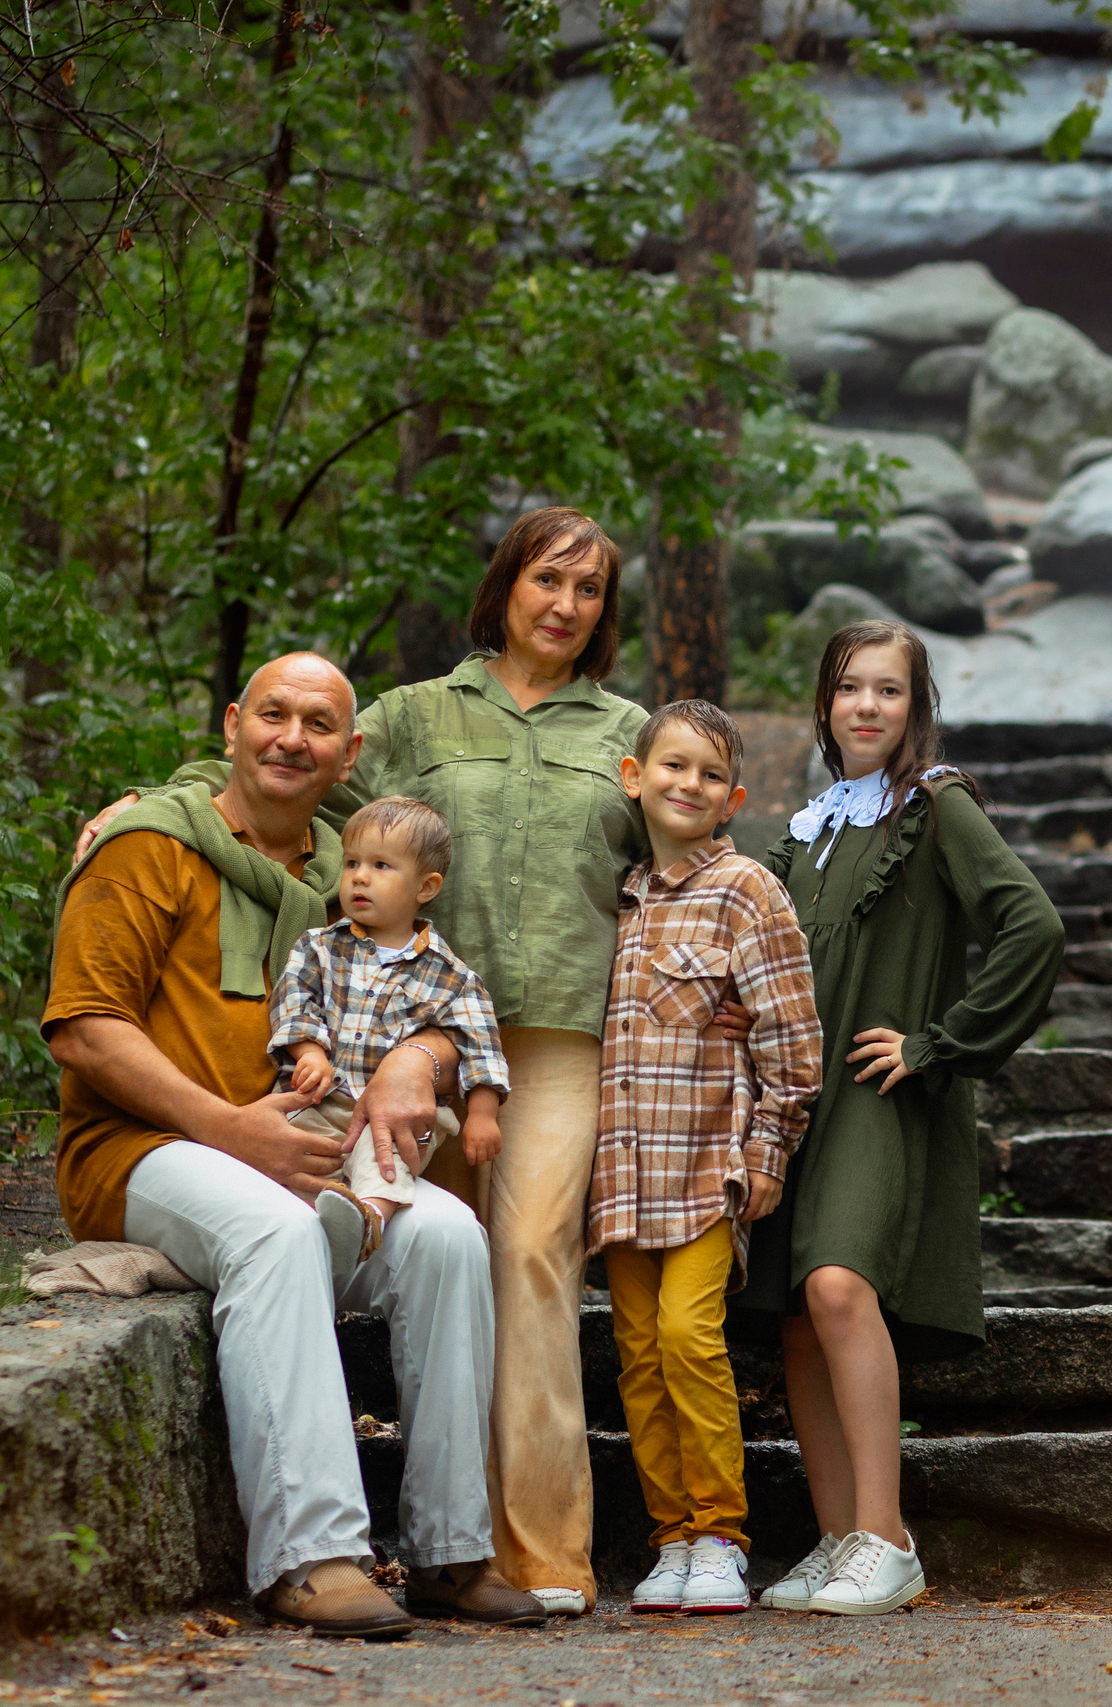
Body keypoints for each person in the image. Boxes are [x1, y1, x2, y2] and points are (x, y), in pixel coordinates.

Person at [72, 510, 746, 1612]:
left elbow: (693, 846)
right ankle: (414, 1539)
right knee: (436, 1247)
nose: (563, 605)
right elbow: (297, 757)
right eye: (546, 580)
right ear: (506, 586)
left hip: (568, 1037)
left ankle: (536, 1554)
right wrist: (169, 795)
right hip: (416, 1035)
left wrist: (724, 1004)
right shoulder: (423, 714)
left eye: (587, 591)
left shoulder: (624, 729)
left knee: (528, 1257)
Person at [44, 653, 543, 1635]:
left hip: (303, 1147)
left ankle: (449, 1549)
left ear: (347, 752)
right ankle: (310, 1554)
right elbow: (84, 1028)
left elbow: (434, 993)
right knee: (273, 1230)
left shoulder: (344, 870)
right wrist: (230, 1129)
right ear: (232, 723)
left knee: (446, 1236)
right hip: (144, 1150)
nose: (291, 738)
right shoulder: (147, 845)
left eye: (319, 725)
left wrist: (424, 1057)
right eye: (273, 714)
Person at [735, 622, 1066, 1616]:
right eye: (848, 689)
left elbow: (1032, 925)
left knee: (837, 1286)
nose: (867, 706)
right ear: (825, 705)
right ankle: (839, 1542)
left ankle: (886, 1536)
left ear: (915, 706)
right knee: (796, 1317)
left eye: (888, 690)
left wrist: (937, 1042)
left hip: (880, 1094)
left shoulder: (936, 805)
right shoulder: (814, 828)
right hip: (799, 1099)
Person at [588, 700, 823, 1617]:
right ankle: (671, 1536)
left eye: (709, 775)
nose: (688, 784)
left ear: (734, 797)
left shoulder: (749, 889)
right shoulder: (620, 897)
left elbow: (792, 1035)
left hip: (703, 1165)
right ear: (633, 776)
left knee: (690, 1338)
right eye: (671, 766)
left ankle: (722, 1534)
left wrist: (770, 1149)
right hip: (622, 1172)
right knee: (638, 1353)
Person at [270, 795, 511, 1268]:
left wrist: (483, 1116)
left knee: (389, 1158)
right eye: (352, 862)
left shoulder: (452, 976)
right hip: (321, 1097)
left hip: (397, 1115)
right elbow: (294, 1001)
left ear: (426, 886)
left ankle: (368, 1221)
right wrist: (310, 1052)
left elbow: (481, 1047)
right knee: (289, 1150)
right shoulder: (319, 947)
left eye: (381, 865)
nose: (360, 876)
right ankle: (294, 1226)